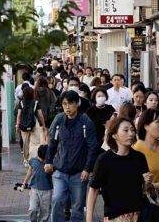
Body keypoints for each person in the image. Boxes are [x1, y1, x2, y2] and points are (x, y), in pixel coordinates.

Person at [44, 90, 98, 222]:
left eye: (70, 104)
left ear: (77, 103)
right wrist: (48, 161)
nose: (67, 107)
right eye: (64, 104)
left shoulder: (86, 122)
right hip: (60, 170)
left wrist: (87, 168)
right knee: (56, 200)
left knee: (78, 205)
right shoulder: (59, 119)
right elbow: (52, 142)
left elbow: (93, 147)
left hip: (79, 173)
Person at [86, 117, 149, 222]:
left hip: (139, 215)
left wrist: (148, 183)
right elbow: (94, 189)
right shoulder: (104, 160)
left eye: (132, 130)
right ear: (114, 135)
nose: (131, 133)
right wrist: (89, 218)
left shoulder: (139, 157)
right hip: (114, 217)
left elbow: (145, 190)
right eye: (126, 130)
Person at [134, 108, 159, 221]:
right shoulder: (137, 149)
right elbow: (133, 183)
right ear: (146, 126)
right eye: (157, 122)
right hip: (145, 205)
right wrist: (155, 186)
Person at [16, 86, 47, 166]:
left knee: (25, 143)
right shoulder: (35, 102)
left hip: (23, 125)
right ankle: (33, 158)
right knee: (35, 142)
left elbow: (19, 115)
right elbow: (40, 115)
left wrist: (17, 126)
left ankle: (26, 160)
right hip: (34, 124)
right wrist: (43, 125)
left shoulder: (21, 102)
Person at [21, 144, 53, 222]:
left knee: (45, 212)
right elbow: (30, 171)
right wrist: (24, 182)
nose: (42, 160)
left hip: (47, 190)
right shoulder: (33, 160)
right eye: (42, 159)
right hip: (34, 189)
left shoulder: (49, 163)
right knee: (33, 209)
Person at [86, 87, 115, 152]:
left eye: (103, 96)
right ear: (94, 98)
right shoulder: (90, 111)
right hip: (95, 139)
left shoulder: (110, 108)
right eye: (99, 96)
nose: (101, 97)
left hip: (108, 139)